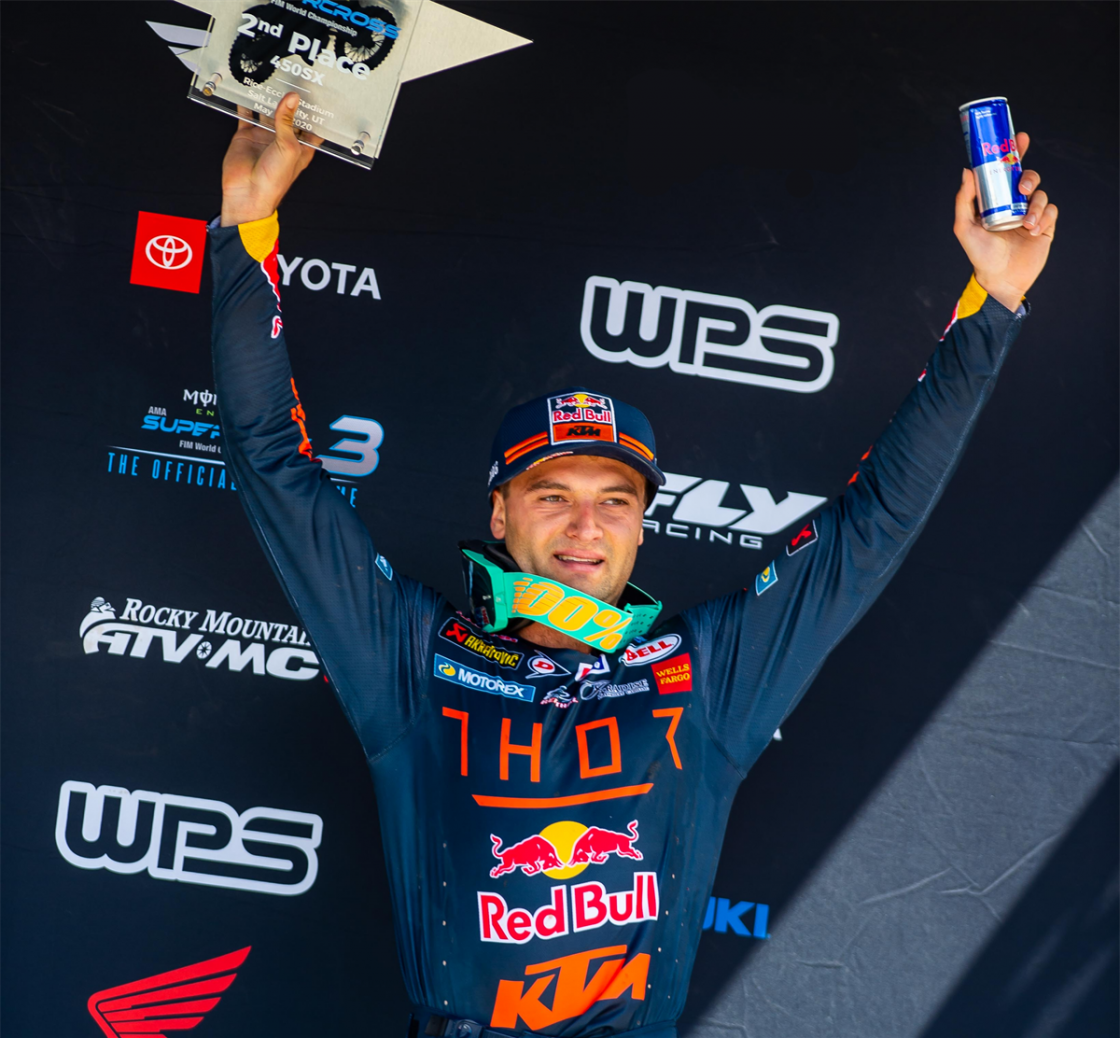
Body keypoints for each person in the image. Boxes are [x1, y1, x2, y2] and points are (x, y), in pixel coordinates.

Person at [209, 92, 1057, 1038]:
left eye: (615, 501)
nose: (586, 526)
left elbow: (874, 524)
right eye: (551, 494)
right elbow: (272, 464)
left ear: (643, 527)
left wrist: (993, 304)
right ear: (498, 513)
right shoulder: (411, 658)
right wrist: (249, 221)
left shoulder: (708, 674)